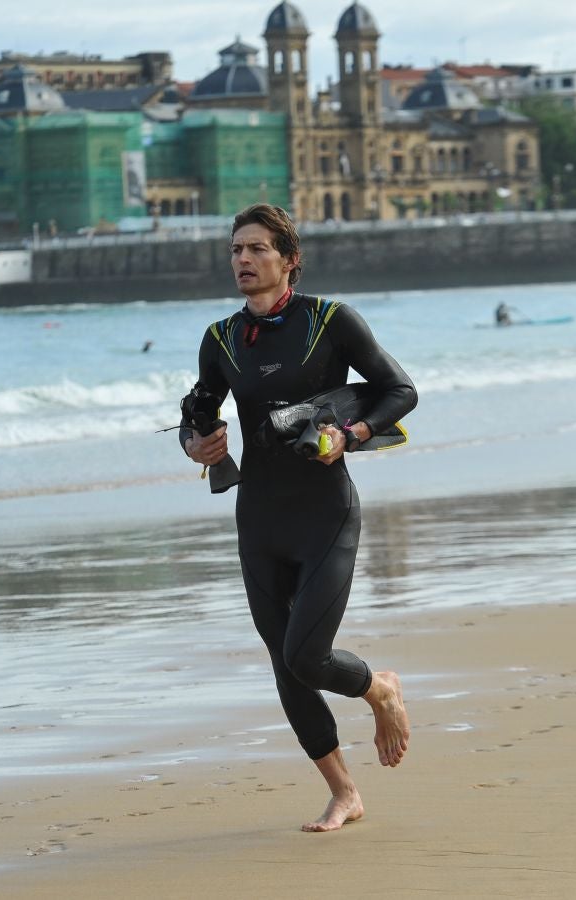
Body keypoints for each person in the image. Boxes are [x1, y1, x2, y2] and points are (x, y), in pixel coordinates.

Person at [181, 204, 416, 833]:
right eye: (236, 249)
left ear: (288, 259)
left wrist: (352, 434)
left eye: (257, 248)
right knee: (283, 660)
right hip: (259, 517)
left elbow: (400, 390)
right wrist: (198, 444)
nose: (243, 259)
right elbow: (198, 412)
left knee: (307, 656)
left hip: (325, 515)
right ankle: (344, 792)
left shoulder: (330, 321)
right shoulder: (221, 338)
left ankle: (379, 688)